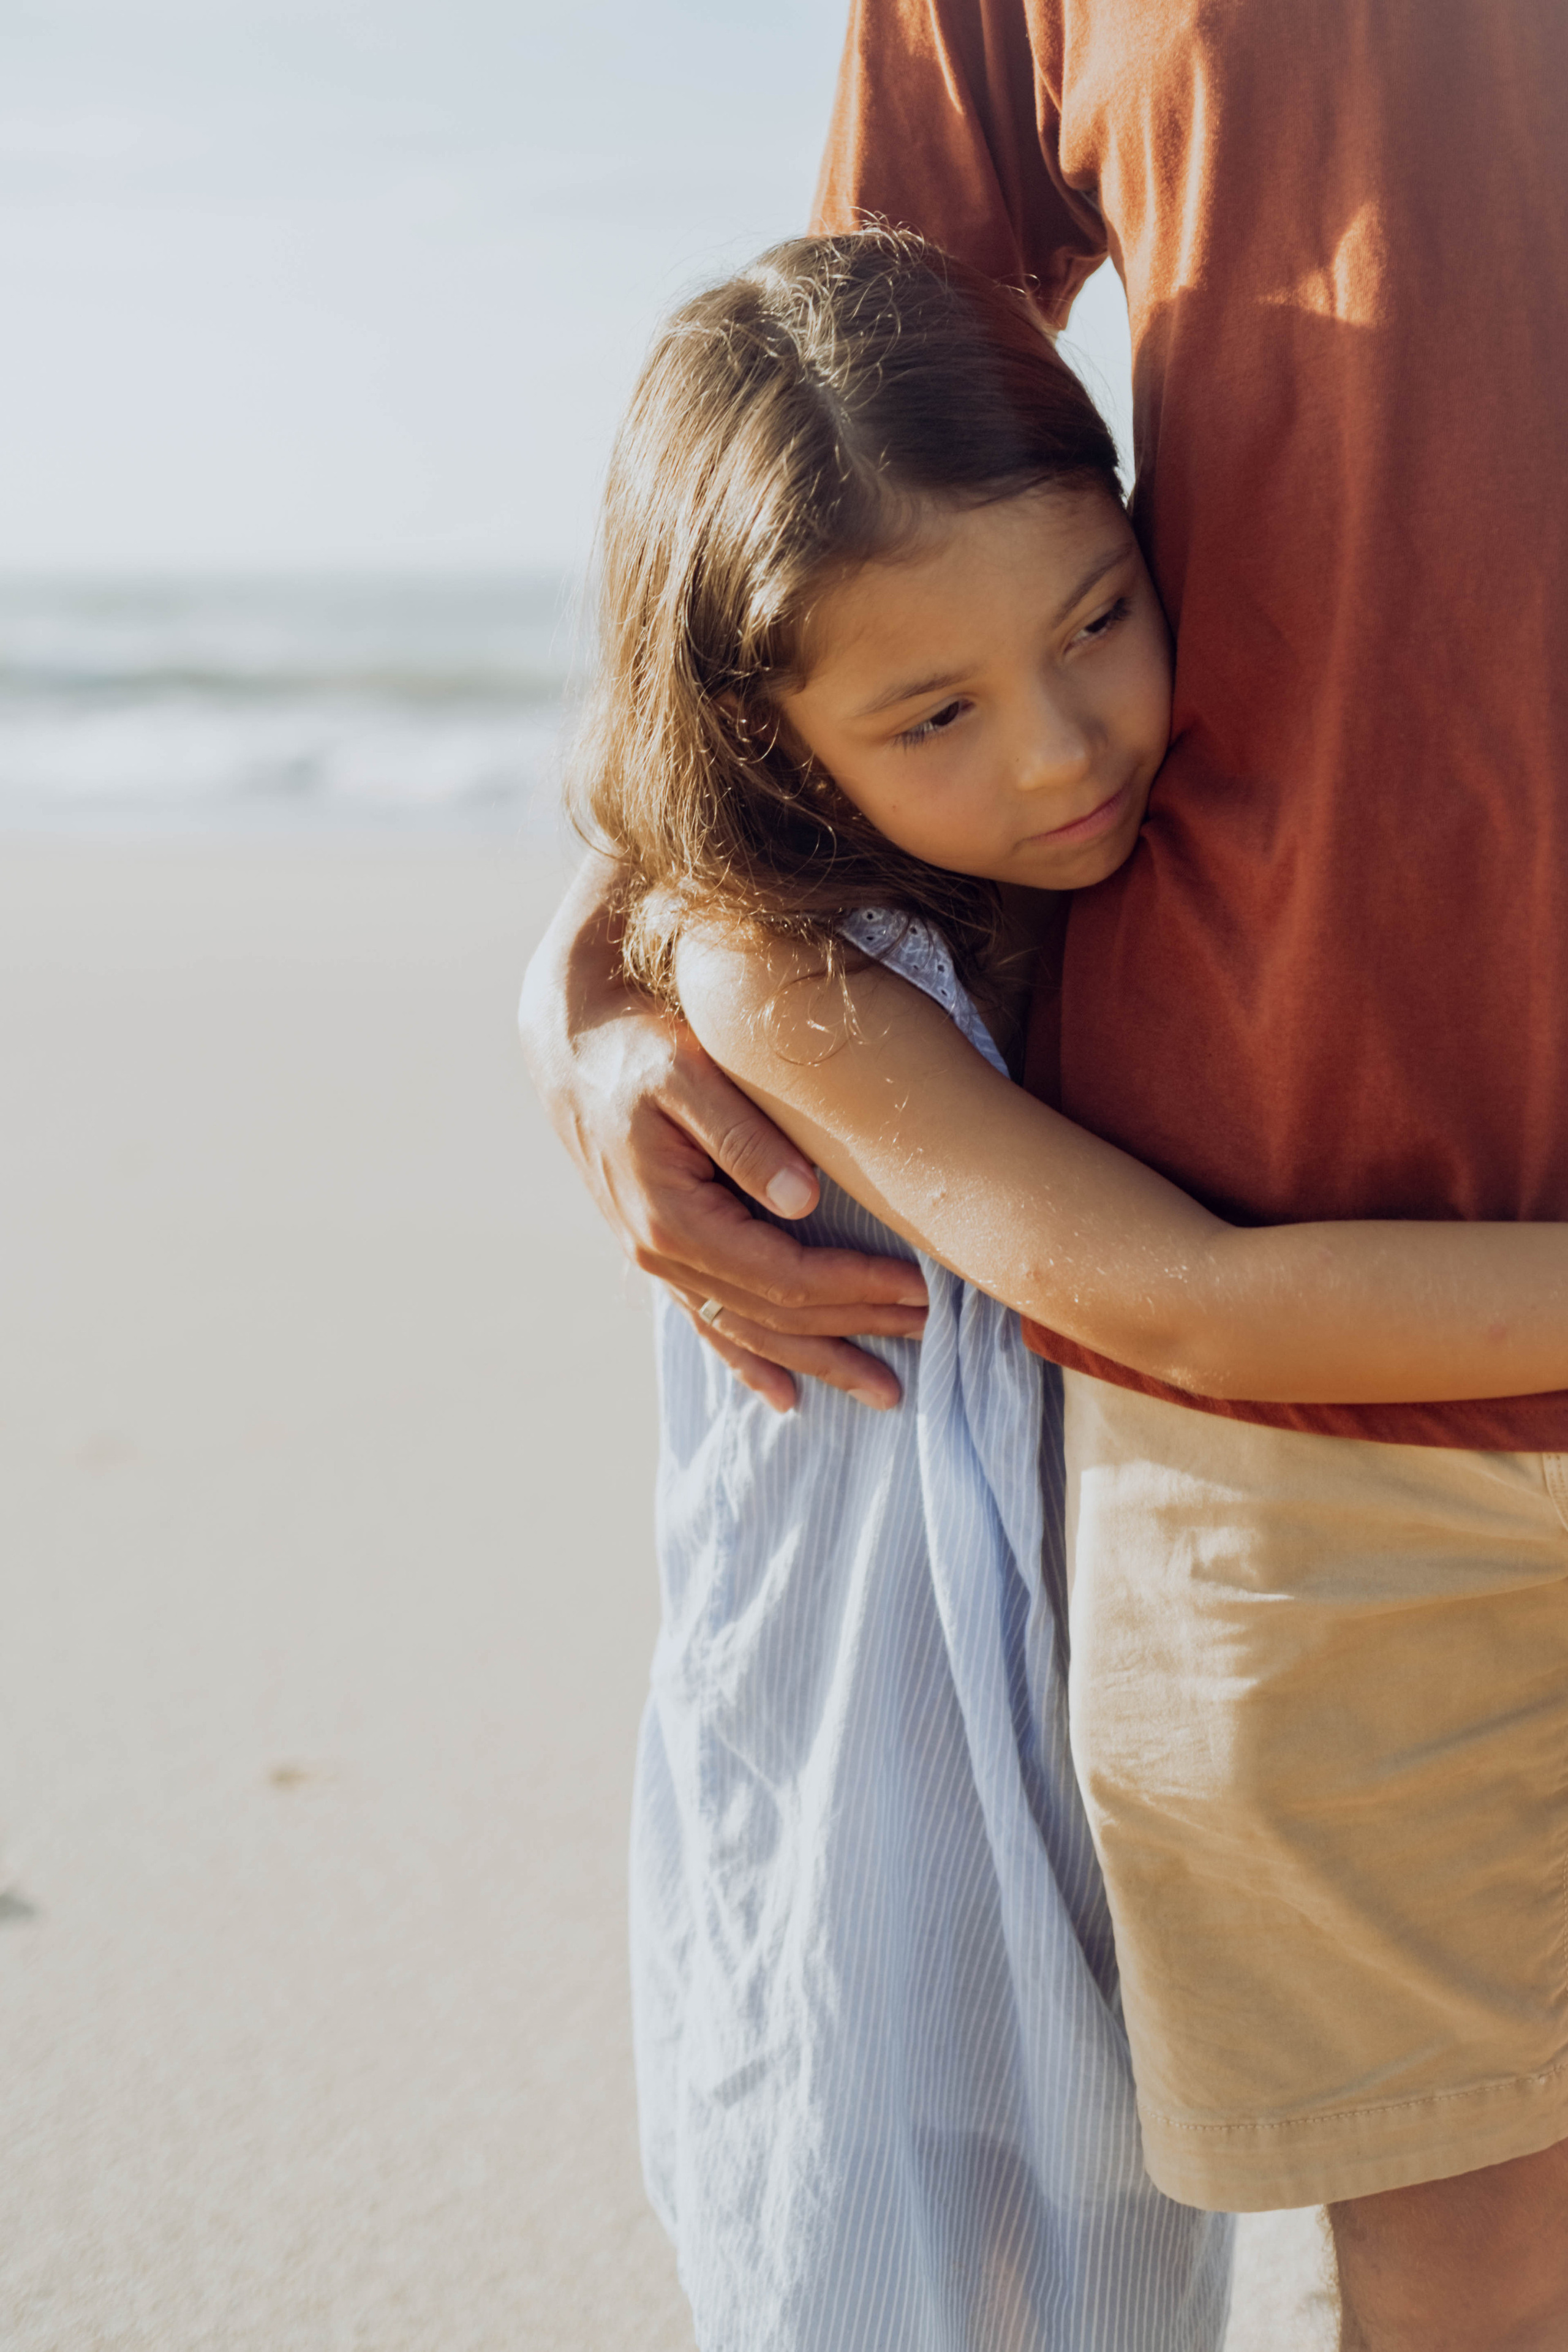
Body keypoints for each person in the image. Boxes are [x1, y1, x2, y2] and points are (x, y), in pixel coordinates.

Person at [526, 220, 1568, 2350]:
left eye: (1099, 618)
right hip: (887, 1765)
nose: (1063, 749)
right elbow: (1188, 1303)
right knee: (917, 2274)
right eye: (936, 713)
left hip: (1089, 1738)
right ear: (767, 733)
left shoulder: (1093, 883)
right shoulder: (786, 973)